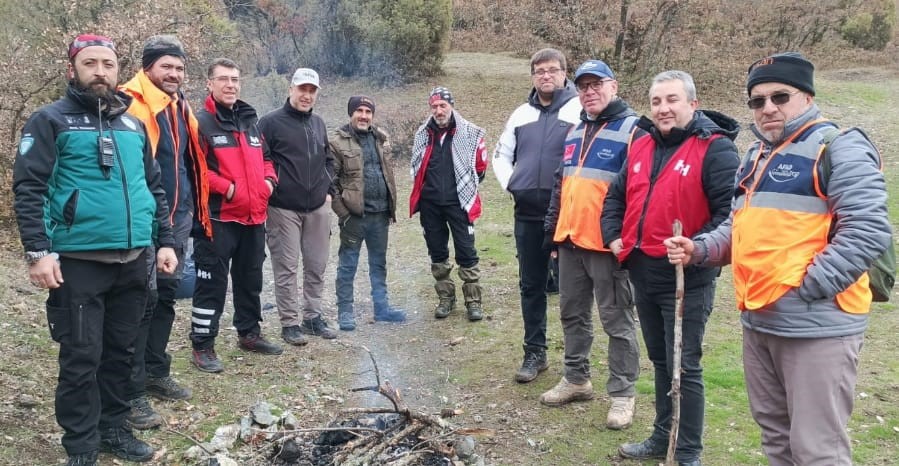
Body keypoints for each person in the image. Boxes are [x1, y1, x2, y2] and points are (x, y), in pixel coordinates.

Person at [664, 52, 891, 466]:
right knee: (775, 438)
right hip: (759, 321)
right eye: (757, 100)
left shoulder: (838, 147)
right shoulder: (756, 156)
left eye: (779, 96)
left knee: (817, 449)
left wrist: (807, 287)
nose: (768, 107)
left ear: (806, 96)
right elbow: (740, 228)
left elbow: (868, 231)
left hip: (816, 327)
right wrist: (700, 248)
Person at [13, 34, 177, 465]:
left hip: (134, 259)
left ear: (118, 70)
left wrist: (164, 241)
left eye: (108, 63)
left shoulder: (133, 125)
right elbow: (30, 188)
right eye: (90, 63)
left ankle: (114, 430)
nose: (100, 71)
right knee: (82, 357)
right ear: (73, 70)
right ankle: (82, 445)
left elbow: (153, 187)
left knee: (123, 353)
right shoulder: (50, 121)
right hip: (78, 262)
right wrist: (38, 251)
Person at [602, 70, 740, 466]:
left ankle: (687, 450)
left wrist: (697, 248)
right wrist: (613, 235)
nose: (663, 108)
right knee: (661, 361)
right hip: (643, 273)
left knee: (685, 365)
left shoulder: (716, 149)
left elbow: (729, 215)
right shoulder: (641, 144)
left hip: (687, 279)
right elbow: (616, 196)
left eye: (672, 100)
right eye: (657, 101)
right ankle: (663, 435)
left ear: (692, 104)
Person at [540, 59, 641, 431]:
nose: (589, 92)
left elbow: (640, 191)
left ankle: (622, 394)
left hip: (608, 247)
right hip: (570, 242)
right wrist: (553, 235)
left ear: (613, 86)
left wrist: (628, 242)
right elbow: (559, 185)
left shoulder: (634, 129)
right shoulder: (574, 131)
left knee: (617, 320)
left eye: (596, 84)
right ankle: (577, 379)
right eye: (583, 86)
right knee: (572, 314)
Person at [119, 34, 212, 430]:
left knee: (167, 299)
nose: (173, 73)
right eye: (166, 66)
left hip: (178, 219)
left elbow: (187, 164)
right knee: (141, 304)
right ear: (147, 67)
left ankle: (156, 370)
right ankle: (131, 389)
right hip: (144, 222)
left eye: (179, 67)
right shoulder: (129, 104)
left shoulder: (179, 106)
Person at [492, 48, 581, 383]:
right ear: (533, 76)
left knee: (572, 290)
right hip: (527, 214)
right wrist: (513, 184)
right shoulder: (520, 115)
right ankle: (535, 353)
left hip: (566, 215)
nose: (546, 75)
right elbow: (502, 156)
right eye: (540, 71)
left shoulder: (578, 111)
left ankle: (574, 364)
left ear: (563, 73)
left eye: (552, 70)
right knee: (531, 286)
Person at [191, 58, 281, 373]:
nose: (230, 84)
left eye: (235, 79)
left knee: (250, 279)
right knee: (212, 284)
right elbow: (196, 169)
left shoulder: (249, 121)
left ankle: (249, 333)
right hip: (218, 219)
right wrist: (227, 189)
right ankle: (202, 344)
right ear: (209, 83)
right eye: (223, 79)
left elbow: (267, 158)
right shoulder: (200, 122)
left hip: (254, 217)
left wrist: (269, 182)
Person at [258, 67, 338, 344]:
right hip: (283, 208)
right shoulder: (269, 123)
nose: (306, 95)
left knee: (316, 265)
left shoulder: (318, 124)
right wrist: (271, 188)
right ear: (291, 89)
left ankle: (313, 317)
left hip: (317, 207)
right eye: (302, 89)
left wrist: (329, 190)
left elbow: (329, 159)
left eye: (311, 90)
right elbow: (260, 160)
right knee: (287, 267)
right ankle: (290, 322)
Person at [328, 96, 407, 331]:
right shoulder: (337, 142)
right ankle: (345, 312)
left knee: (378, 264)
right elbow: (330, 182)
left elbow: (386, 173)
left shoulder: (380, 138)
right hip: (354, 217)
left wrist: (391, 208)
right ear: (351, 113)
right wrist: (343, 213)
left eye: (368, 111)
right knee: (348, 265)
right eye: (359, 111)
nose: (363, 115)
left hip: (381, 214)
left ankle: (381, 309)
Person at [410, 87, 488, 321]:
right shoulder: (423, 134)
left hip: (459, 203)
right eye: (434, 106)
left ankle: (473, 301)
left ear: (451, 105)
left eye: (442, 105)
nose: (438, 110)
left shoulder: (470, 133)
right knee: (437, 252)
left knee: (466, 251)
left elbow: (480, 168)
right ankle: (446, 298)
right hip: (430, 204)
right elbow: (416, 168)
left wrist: (464, 187)